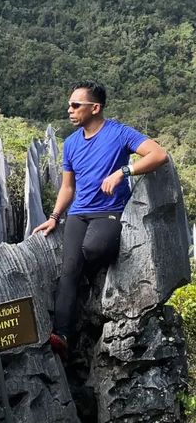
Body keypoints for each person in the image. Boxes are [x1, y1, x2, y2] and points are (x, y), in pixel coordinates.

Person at [33, 82, 168, 354]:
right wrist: (55, 216)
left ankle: (93, 284)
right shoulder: (70, 144)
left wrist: (124, 172)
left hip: (109, 211)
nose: (69, 110)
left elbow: (159, 154)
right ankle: (62, 334)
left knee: (93, 249)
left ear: (95, 108)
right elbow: (68, 187)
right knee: (68, 271)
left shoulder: (119, 133)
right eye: (69, 105)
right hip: (78, 213)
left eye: (75, 105)